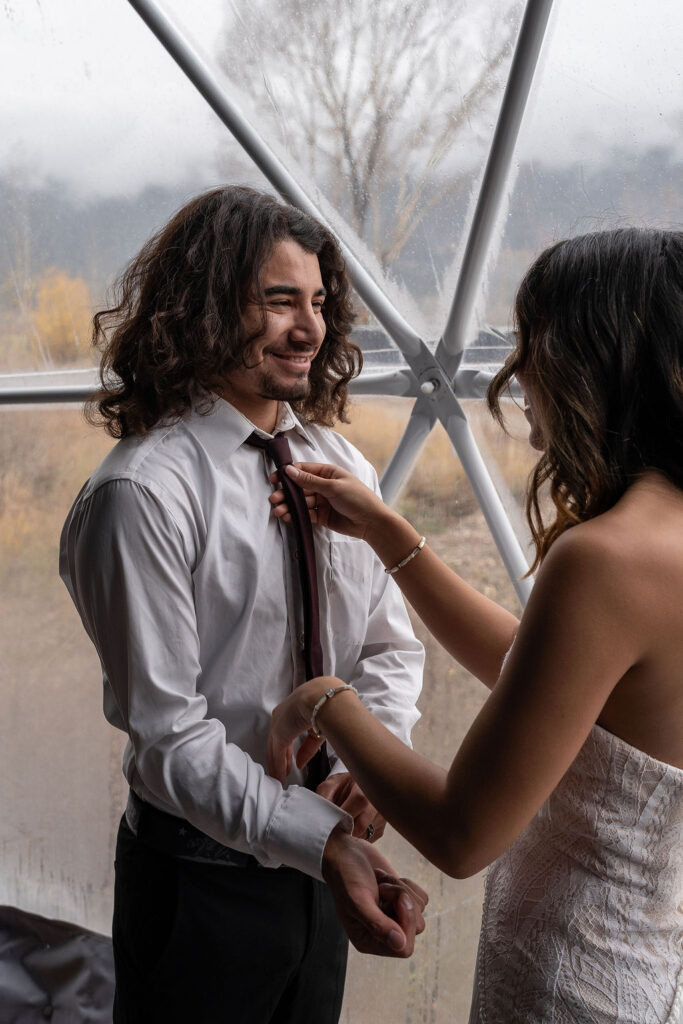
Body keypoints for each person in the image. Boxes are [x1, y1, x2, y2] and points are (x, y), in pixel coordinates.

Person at [267, 228, 683, 1023]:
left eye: (534, 342)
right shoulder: (660, 541)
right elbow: (546, 679)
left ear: (593, 358)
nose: (513, 372)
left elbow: (461, 834)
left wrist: (326, 701)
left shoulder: (605, 560)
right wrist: (388, 533)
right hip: (645, 978)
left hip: (568, 986)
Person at [59, 185, 427, 1024]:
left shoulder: (345, 468)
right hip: (198, 892)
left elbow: (388, 648)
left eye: (319, 302)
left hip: (326, 871)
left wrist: (375, 764)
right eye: (279, 300)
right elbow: (169, 736)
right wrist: (319, 839)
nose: (310, 329)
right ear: (203, 308)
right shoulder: (141, 492)